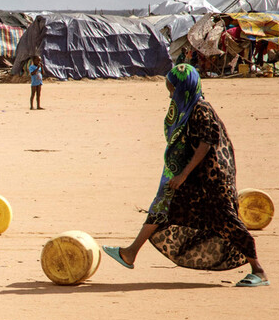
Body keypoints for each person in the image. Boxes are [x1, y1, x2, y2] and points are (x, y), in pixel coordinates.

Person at [102, 64, 269, 287]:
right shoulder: (188, 108)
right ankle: (130, 253)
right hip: (195, 178)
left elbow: (206, 145)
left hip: (211, 180)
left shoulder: (201, 109)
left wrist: (182, 175)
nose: (171, 93)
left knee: (227, 221)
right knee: (163, 209)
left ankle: (259, 271)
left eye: (173, 88)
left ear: (184, 87)